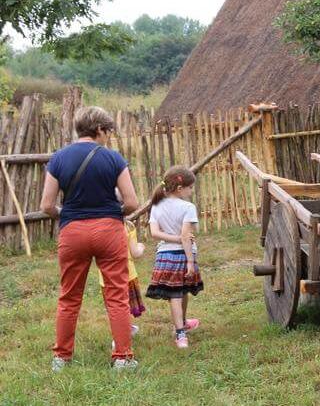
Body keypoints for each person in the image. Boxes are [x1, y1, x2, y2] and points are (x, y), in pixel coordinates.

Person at [40, 106, 140, 372]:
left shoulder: (59, 158)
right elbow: (131, 202)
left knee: (69, 296)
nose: (108, 137)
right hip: (108, 230)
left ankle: (61, 358)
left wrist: (67, 214)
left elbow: (46, 205)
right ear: (99, 130)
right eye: (108, 131)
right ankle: (122, 358)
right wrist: (111, 213)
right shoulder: (114, 159)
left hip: (72, 232)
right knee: (117, 295)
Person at [146, 166, 204, 349]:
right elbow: (185, 237)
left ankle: (183, 324)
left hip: (164, 255)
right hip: (182, 255)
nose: (191, 191)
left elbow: (155, 234)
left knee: (179, 292)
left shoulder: (156, 205)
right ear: (180, 188)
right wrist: (189, 261)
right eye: (190, 188)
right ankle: (180, 335)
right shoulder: (188, 207)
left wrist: (175, 238)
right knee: (179, 294)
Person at [96, 221, 147, 347]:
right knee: (123, 307)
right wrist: (141, 247)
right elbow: (135, 253)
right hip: (127, 274)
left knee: (114, 308)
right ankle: (126, 330)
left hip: (106, 276)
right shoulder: (128, 226)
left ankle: (122, 334)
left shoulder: (97, 225)